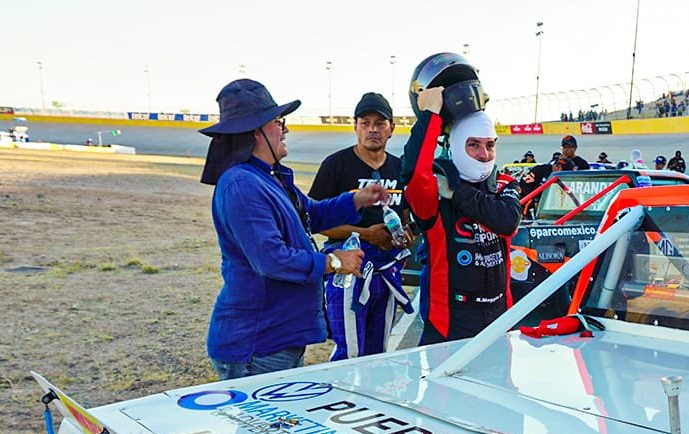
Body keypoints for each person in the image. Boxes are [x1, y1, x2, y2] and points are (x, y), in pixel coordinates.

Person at [199, 78, 387, 379]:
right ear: (255, 132)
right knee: (262, 428)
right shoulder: (242, 185)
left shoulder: (268, 177)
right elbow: (271, 259)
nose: (285, 129)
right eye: (278, 122)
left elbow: (310, 213)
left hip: (277, 339)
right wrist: (334, 262)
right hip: (257, 346)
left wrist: (356, 200)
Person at [404, 86, 522, 344]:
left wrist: (457, 194)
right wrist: (429, 115)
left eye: (490, 145)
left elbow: (508, 222)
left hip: (499, 319)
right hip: (450, 323)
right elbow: (413, 173)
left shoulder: (503, 184)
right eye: (473, 145)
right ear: (456, 145)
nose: (484, 154)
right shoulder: (434, 195)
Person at [307, 92, 414, 361]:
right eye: (365, 123)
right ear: (355, 127)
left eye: (380, 123)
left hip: (387, 268)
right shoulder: (336, 165)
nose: (372, 129)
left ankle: (374, 402)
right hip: (349, 269)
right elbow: (316, 222)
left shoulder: (399, 168)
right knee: (350, 350)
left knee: (377, 352)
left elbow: (407, 216)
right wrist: (365, 234)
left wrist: (406, 233)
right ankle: (342, 400)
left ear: (392, 129)